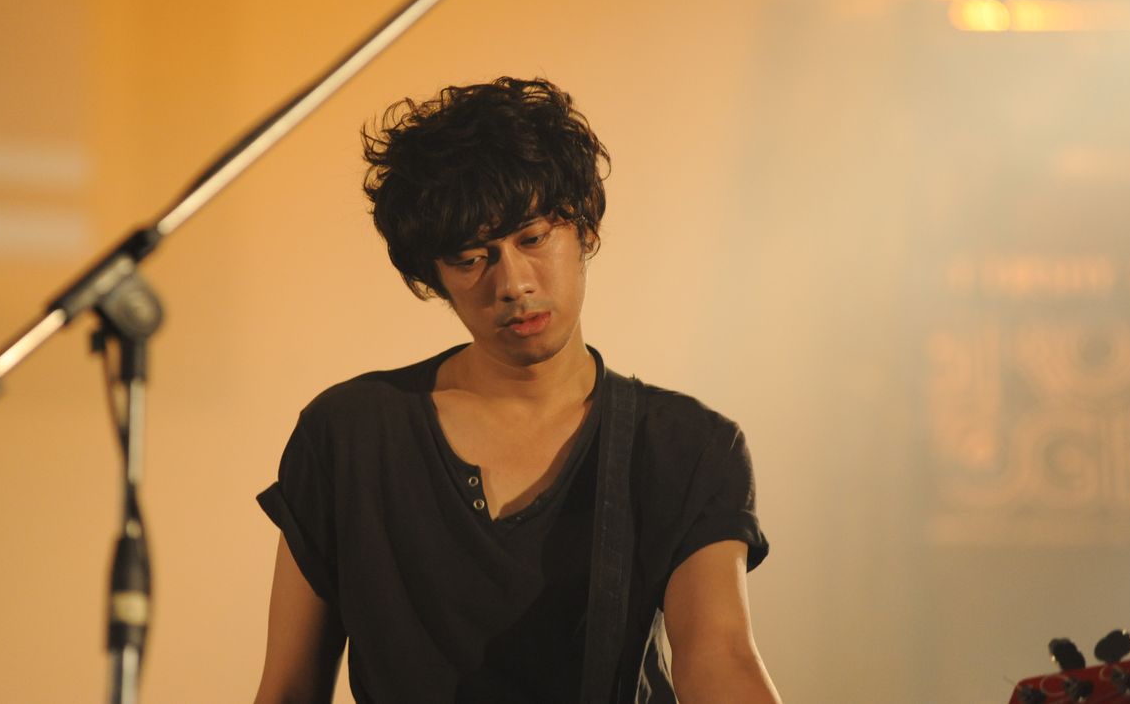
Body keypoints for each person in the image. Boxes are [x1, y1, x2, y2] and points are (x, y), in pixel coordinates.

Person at [253, 77, 780, 704]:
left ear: (585, 229)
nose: (512, 284)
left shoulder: (683, 446)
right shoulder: (350, 435)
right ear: (434, 276)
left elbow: (720, 655)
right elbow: (288, 687)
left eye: (532, 238)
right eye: (471, 258)